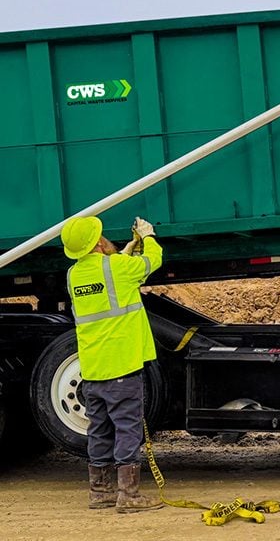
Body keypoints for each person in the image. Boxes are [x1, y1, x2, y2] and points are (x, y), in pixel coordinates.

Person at [61, 215, 163, 513]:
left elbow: (104, 283)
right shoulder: (117, 268)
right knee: (128, 428)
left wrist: (125, 251)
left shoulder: (73, 276)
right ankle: (129, 496)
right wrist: (148, 236)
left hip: (92, 369)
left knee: (100, 430)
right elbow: (151, 262)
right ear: (96, 242)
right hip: (122, 366)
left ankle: (100, 492)